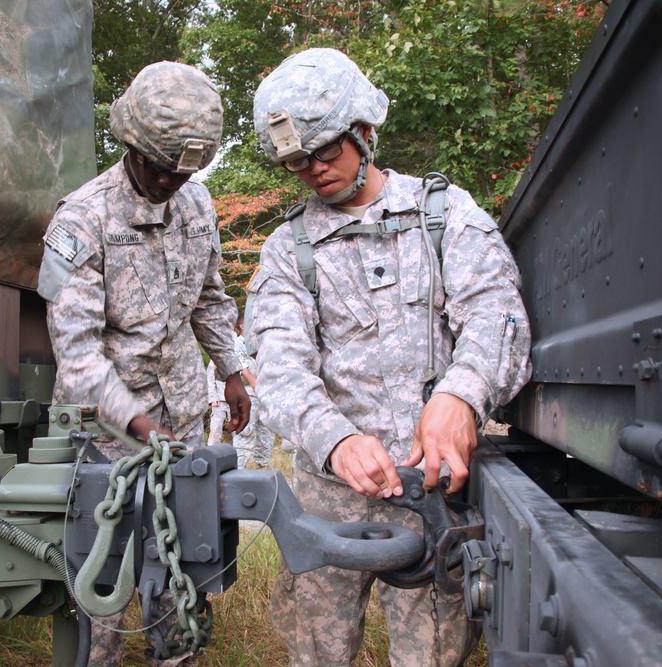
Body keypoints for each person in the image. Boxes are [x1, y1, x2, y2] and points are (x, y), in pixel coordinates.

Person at [247, 48, 532, 667]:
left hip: (435, 496)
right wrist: (335, 439)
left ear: (365, 132)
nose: (314, 170)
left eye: (326, 151)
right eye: (298, 162)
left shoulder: (445, 214)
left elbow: (497, 314)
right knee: (317, 654)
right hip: (331, 504)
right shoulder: (285, 250)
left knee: (432, 656)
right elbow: (278, 365)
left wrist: (461, 395)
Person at [38, 61, 251, 666]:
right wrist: (136, 424)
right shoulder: (80, 219)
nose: (170, 182)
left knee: (182, 557)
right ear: (130, 143)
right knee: (102, 570)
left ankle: (175, 654)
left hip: (181, 417)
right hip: (104, 434)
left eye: (184, 171)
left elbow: (208, 295)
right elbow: (75, 354)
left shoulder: (197, 203)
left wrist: (231, 370)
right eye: (160, 167)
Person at [232, 312, 274, 468]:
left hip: (264, 392)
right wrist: (255, 384)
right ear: (242, 326)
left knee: (266, 433)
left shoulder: (260, 342)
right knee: (245, 431)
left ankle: (262, 468)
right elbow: (243, 368)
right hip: (248, 392)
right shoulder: (238, 343)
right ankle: (237, 470)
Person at [205, 359, 230, 445]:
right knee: (215, 430)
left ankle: (239, 456)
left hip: (234, 400)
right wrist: (213, 398)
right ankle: (211, 454)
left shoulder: (239, 352)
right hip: (219, 400)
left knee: (239, 432)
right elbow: (210, 377)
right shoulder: (217, 356)